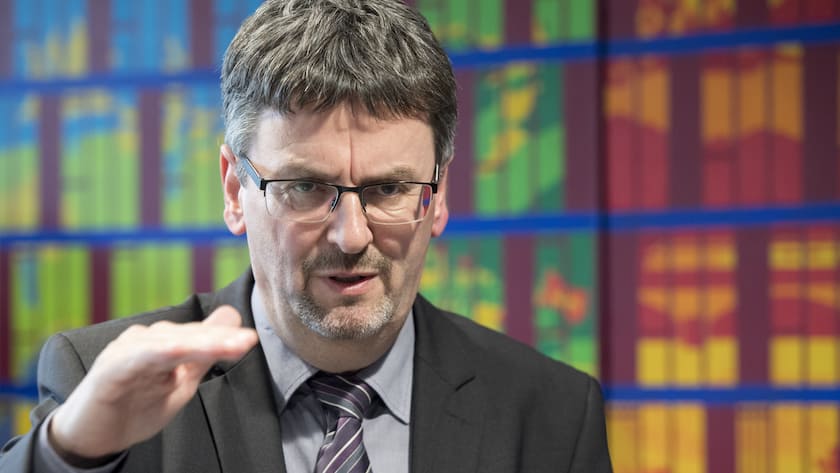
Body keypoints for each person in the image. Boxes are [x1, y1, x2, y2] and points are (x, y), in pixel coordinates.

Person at [0, 0, 613, 471]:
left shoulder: (553, 415)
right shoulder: (106, 389)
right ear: (234, 190)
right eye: (305, 187)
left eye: (389, 189)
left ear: (440, 194)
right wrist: (68, 452)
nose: (351, 236)